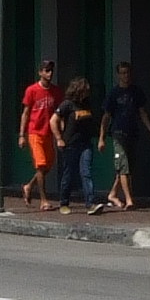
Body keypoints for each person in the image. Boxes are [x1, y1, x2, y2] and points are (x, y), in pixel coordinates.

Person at [99, 60, 150, 213]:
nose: (125, 76)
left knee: (126, 167)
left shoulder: (136, 92)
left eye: (127, 73)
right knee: (123, 166)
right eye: (123, 73)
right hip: (118, 133)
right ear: (118, 75)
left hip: (132, 132)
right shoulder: (113, 93)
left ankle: (112, 194)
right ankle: (129, 199)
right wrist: (101, 138)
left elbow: (142, 112)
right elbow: (106, 116)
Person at [20, 60, 61, 211]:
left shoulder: (56, 91)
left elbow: (59, 112)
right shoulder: (32, 90)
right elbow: (26, 113)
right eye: (46, 70)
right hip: (35, 132)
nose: (49, 73)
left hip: (48, 133)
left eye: (51, 71)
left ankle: (29, 186)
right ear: (40, 72)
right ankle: (43, 200)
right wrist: (22, 135)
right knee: (41, 165)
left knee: (47, 166)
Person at [54, 76, 100, 209]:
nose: (87, 92)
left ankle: (90, 203)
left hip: (85, 143)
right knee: (69, 173)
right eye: (85, 90)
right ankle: (64, 202)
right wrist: (59, 139)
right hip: (70, 144)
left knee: (86, 172)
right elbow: (53, 120)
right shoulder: (67, 104)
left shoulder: (87, 104)